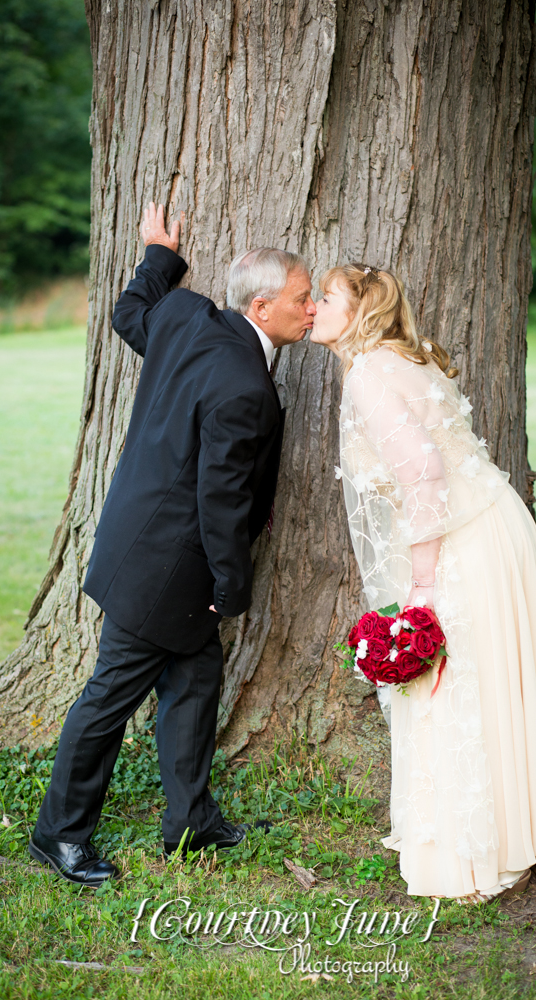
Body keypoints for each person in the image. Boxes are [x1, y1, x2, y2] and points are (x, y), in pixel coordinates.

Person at [29, 203, 317, 887]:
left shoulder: (188, 318)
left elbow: (132, 316)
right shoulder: (248, 387)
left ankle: (190, 820)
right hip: (165, 568)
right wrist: (230, 587)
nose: (311, 310)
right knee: (108, 698)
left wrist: (158, 256)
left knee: (195, 682)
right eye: (303, 300)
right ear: (264, 304)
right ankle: (57, 835)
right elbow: (220, 501)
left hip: (139, 541)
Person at [310, 262, 536, 902]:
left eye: (328, 295)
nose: (315, 304)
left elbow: (422, 471)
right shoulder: (406, 360)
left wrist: (420, 583)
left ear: (360, 310)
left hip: (461, 541)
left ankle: (487, 854)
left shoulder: (368, 371)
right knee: (514, 676)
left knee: (457, 688)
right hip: (498, 521)